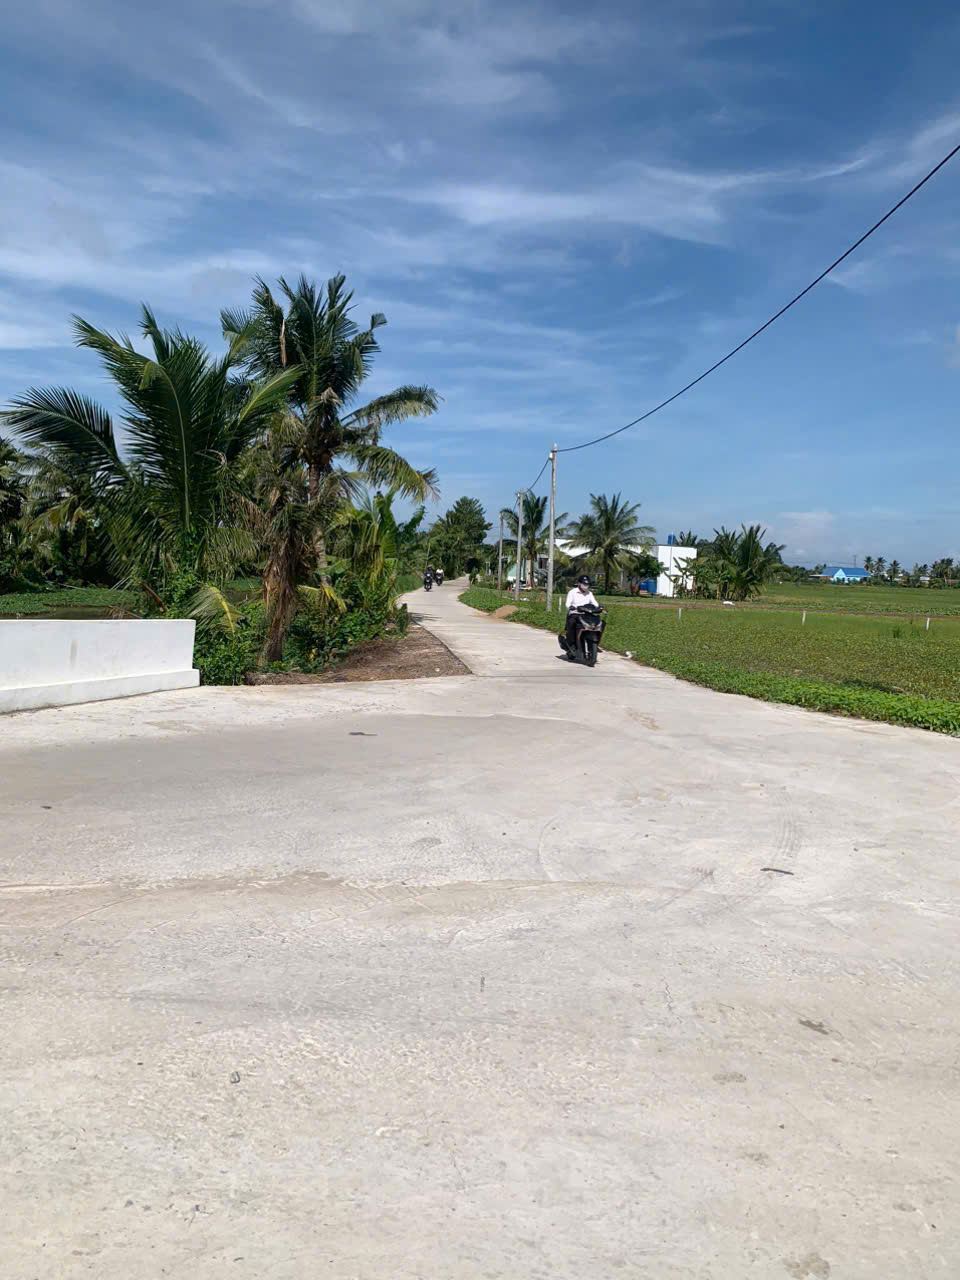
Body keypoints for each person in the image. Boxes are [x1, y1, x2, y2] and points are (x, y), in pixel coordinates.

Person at [563, 574, 603, 651]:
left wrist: (599, 608)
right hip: (575, 613)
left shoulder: (589, 593)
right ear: (579, 583)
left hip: (587, 614)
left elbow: (595, 603)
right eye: (584, 584)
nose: (586, 586)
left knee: (600, 623)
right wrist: (571, 607)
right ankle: (571, 643)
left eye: (587, 584)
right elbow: (567, 604)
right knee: (571, 622)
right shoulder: (572, 592)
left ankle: (596, 643)